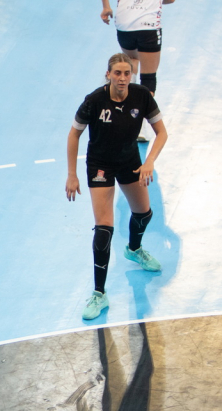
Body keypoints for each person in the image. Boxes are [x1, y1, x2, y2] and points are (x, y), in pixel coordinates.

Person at [65, 53, 168, 320]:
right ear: (108, 74)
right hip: (100, 165)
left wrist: (149, 161)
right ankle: (99, 294)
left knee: (144, 214)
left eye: (127, 73)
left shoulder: (141, 96)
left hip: (129, 161)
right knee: (104, 228)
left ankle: (134, 249)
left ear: (131, 75)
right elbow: (74, 134)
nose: (122, 78)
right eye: (117, 73)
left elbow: (162, 132)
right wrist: (72, 175)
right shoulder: (94, 101)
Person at [100, 0, 175, 141]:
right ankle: (140, 126)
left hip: (124, 24)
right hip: (148, 25)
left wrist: (106, 7)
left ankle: (121, 116)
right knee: (148, 78)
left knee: (132, 60)